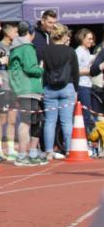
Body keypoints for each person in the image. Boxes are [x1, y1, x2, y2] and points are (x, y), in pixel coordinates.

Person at [8, 21, 47, 167]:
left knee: (35, 119)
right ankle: (23, 155)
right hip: (28, 88)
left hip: (24, 88)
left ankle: (31, 153)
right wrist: (41, 68)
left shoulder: (15, 47)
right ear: (31, 33)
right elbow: (31, 68)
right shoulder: (27, 47)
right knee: (26, 121)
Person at [42, 23, 79, 158]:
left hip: (49, 88)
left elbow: (43, 71)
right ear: (64, 36)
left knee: (50, 121)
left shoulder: (46, 50)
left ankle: (48, 151)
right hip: (67, 86)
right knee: (67, 121)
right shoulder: (70, 51)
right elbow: (75, 73)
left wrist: (43, 87)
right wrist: (76, 90)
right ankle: (69, 149)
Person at [0, 22, 18, 161]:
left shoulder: (15, 47)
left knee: (12, 120)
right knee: (2, 119)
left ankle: (11, 148)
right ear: (8, 33)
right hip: (3, 87)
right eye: (15, 32)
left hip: (14, 87)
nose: (17, 35)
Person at [74, 28, 96, 137]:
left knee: (89, 114)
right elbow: (75, 71)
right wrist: (90, 71)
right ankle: (83, 141)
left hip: (88, 85)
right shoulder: (78, 52)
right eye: (89, 39)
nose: (92, 41)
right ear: (82, 39)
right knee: (85, 115)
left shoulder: (87, 51)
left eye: (92, 39)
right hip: (82, 86)